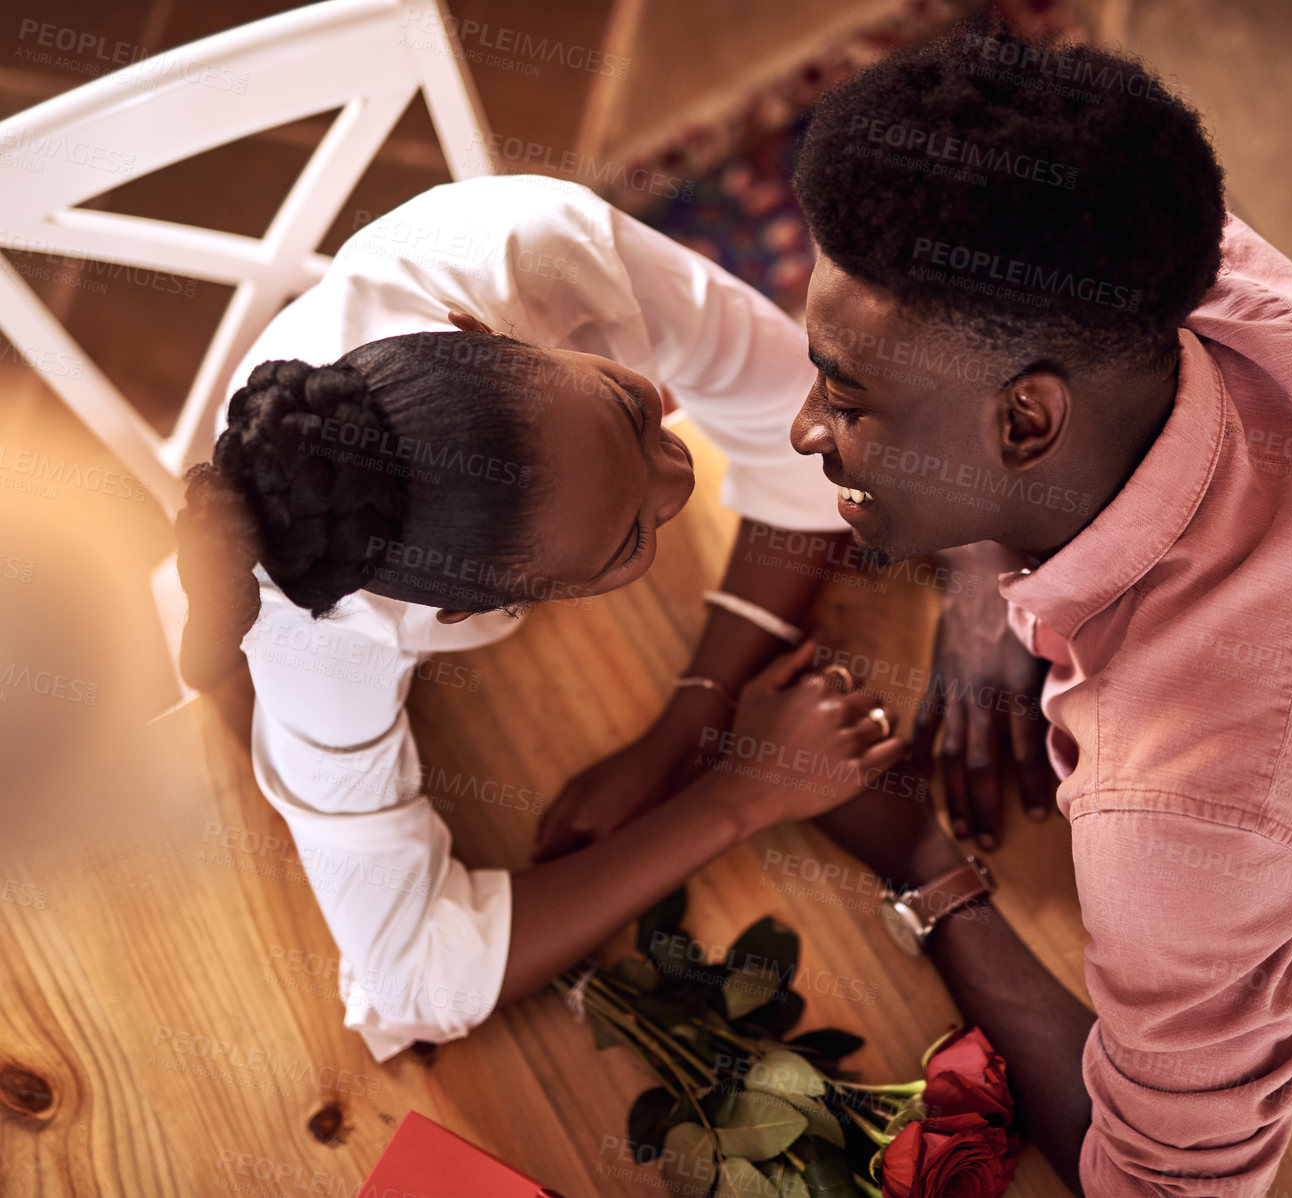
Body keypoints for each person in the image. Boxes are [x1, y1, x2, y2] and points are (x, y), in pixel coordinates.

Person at [788, 26, 1292, 1197]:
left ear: (1025, 424)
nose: (805, 430)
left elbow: (1160, 1188)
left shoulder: (1184, 802)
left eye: (845, 396)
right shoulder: (1198, 282)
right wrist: (980, 581)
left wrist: (927, 864)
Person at [176, 174, 907, 1061]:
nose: (681, 475)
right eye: (631, 541)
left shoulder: (540, 248)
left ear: (488, 332)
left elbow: (806, 446)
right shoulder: (321, 642)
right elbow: (411, 976)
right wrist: (738, 797)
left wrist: (684, 726)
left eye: (631, 407)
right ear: (453, 611)